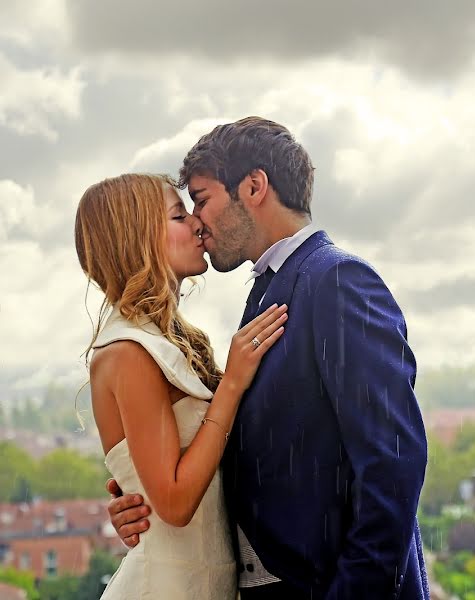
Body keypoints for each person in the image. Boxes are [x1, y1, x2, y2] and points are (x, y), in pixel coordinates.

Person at [107, 117, 430, 599]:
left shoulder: (336, 281)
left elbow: (393, 465)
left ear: (254, 187)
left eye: (202, 198)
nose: (198, 220)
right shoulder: (268, 288)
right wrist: (143, 491)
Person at [75, 173, 288, 599]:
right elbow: (173, 504)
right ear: (138, 240)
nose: (196, 223)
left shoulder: (168, 340)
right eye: (177, 215)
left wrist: (133, 496)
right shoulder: (127, 352)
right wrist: (231, 385)